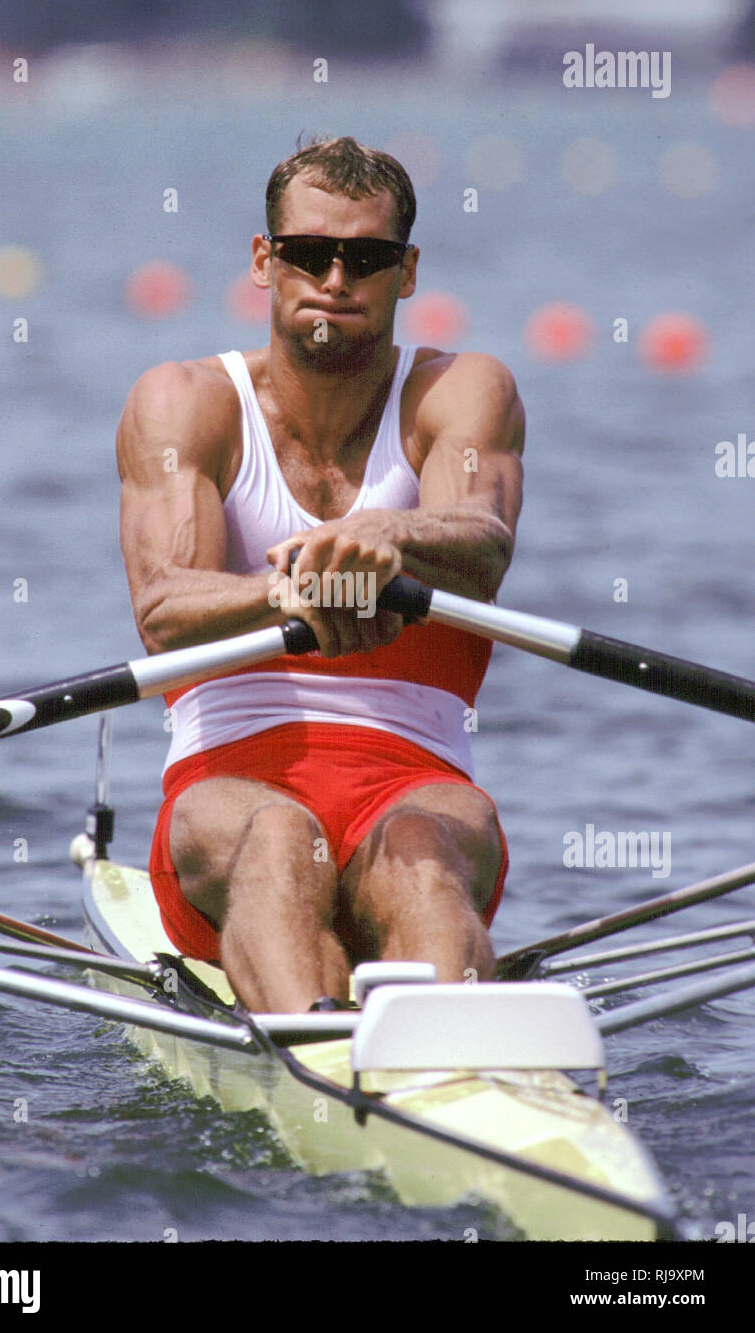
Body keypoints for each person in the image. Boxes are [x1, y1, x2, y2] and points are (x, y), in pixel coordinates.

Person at [117, 136, 524, 1013]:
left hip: (415, 782)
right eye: (308, 254)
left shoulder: (462, 390)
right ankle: (324, 1071)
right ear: (265, 261)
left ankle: (445, 1071)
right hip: (230, 784)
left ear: (406, 272)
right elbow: (163, 611)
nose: (334, 281)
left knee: (420, 857)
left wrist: (388, 532)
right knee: (280, 841)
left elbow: (484, 545)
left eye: (365, 258)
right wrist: (297, 590)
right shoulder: (187, 401)